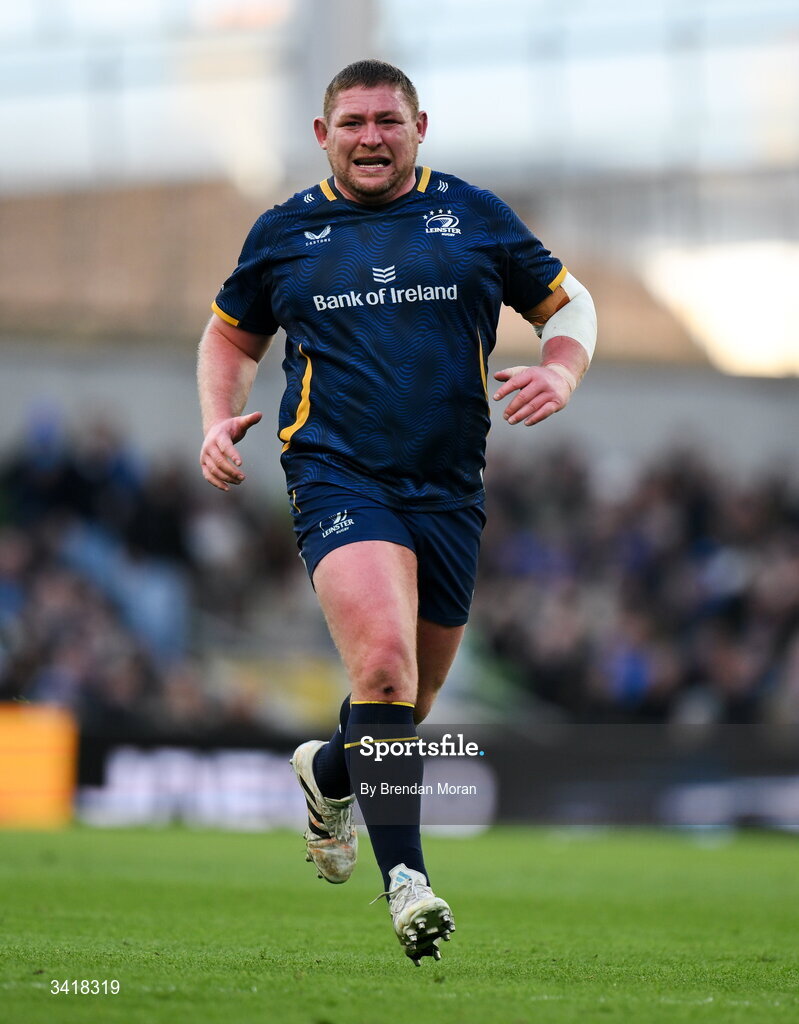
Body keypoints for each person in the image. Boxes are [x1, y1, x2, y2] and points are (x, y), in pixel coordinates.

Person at [197, 58, 597, 964]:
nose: (370, 137)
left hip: (449, 488)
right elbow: (228, 334)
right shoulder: (285, 233)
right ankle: (407, 882)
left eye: (387, 121)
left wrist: (561, 368)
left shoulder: (473, 217)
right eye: (352, 123)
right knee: (380, 666)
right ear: (321, 134)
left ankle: (329, 770)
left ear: (420, 127)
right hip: (337, 477)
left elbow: (569, 302)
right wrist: (217, 419)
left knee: (402, 703)